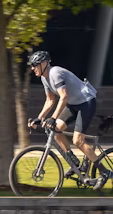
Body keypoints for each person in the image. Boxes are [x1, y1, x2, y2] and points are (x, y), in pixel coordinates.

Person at [26, 50, 102, 185]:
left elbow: (64, 97)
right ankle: (74, 161)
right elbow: (50, 100)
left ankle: (105, 172)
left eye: (35, 65)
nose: (32, 68)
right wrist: (39, 118)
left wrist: (53, 117)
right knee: (56, 130)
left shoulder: (55, 73)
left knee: (78, 140)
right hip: (73, 104)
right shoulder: (44, 78)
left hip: (86, 102)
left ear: (43, 64)